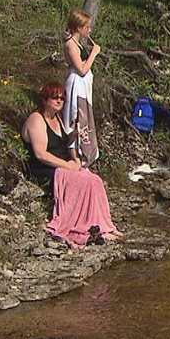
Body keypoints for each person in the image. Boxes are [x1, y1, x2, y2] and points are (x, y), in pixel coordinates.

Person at [21, 82, 120, 248]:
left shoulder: (56, 119)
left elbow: (65, 145)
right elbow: (41, 154)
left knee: (94, 180)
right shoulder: (36, 119)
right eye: (55, 98)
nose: (59, 101)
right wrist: (68, 166)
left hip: (63, 165)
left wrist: (73, 144)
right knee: (83, 182)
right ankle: (85, 225)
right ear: (45, 99)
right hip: (45, 169)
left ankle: (103, 225)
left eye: (62, 98)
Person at [63, 9, 101, 165]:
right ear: (79, 27)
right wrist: (93, 53)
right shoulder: (71, 44)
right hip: (76, 85)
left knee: (85, 118)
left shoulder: (77, 43)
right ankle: (75, 155)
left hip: (83, 86)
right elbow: (81, 69)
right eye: (87, 27)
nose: (89, 30)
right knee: (76, 116)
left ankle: (85, 154)